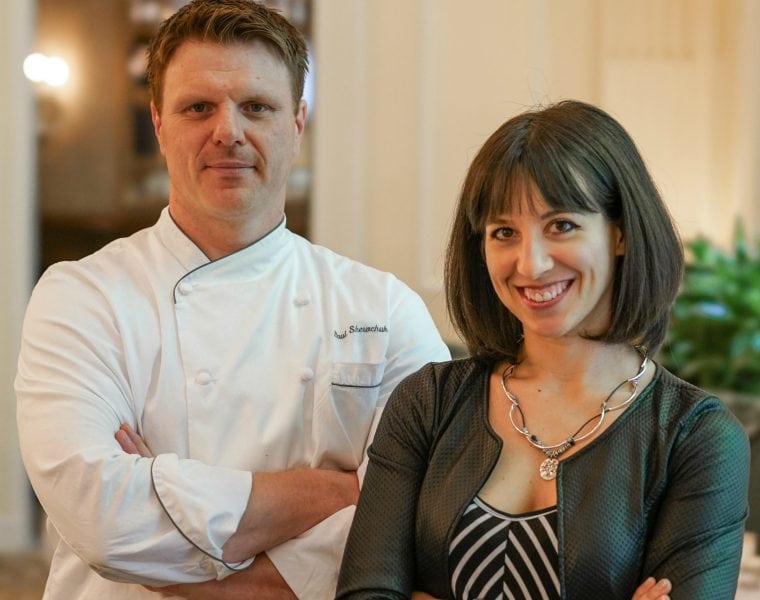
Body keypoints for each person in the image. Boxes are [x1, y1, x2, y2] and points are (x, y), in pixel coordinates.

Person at [15, 1, 450, 598]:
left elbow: (427, 519)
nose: (228, 132)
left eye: (257, 107)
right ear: (159, 124)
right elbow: (103, 519)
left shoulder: (384, 309)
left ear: (297, 123)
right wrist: (342, 490)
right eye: (198, 107)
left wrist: (174, 523)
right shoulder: (81, 298)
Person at [336, 100, 751, 600]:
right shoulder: (427, 402)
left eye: (562, 225)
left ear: (620, 232)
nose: (530, 265)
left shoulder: (698, 437)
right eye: (504, 233)